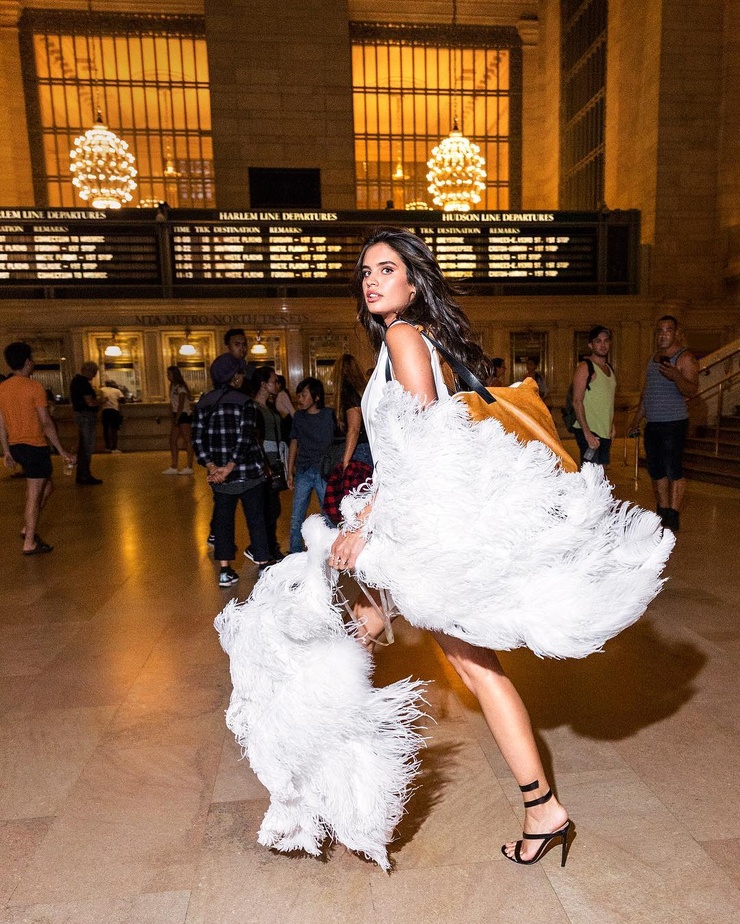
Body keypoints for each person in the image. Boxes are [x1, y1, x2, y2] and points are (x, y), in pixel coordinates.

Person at [215, 228, 674, 870]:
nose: (372, 280)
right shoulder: (411, 339)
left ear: (412, 280)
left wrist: (366, 524)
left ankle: (536, 808)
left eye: (386, 269)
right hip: (416, 529)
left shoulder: (405, 337)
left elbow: (425, 448)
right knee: (379, 636)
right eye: (366, 272)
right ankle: (328, 782)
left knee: (465, 667)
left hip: (418, 534)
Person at [193, 354, 272, 586]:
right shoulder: (245, 402)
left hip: (220, 479)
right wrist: (230, 467)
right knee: (256, 518)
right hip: (248, 473)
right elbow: (246, 438)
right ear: (234, 377)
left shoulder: (203, 403)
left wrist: (213, 467)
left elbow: (197, 440)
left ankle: (225, 571)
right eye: (239, 373)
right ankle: (263, 565)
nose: (241, 377)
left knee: (223, 522)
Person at [0, 341, 75, 554]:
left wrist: (6, 450)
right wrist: (63, 452)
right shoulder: (34, 387)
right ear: (26, 362)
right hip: (34, 446)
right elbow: (46, 423)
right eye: (31, 359)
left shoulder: (2, 388)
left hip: (17, 446)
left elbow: (1, 422)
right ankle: (29, 542)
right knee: (34, 493)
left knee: (47, 486)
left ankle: (28, 527)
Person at [629, 315, 699, 532]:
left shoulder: (685, 358)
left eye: (668, 330)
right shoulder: (653, 358)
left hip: (674, 422)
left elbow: (692, 390)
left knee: (673, 469)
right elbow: (647, 393)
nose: (663, 334)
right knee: (656, 470)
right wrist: (635, 420)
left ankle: (674, 514)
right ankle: (663, 510)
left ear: (676, 332)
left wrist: (677, 376)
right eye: (659, 330)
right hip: (653, 423)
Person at [286, 376, 335, 553]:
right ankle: (295, 551)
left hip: (323, 470)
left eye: (304, 395)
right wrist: (289, 470)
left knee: (328, 513)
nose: (300, 399)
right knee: (297, 514)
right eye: (299, 395)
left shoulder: (329, 415)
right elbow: (294, 442)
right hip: (304, 469)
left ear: (316, 397)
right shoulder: (298, 417)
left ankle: (331, 549)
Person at [250, 366, 287, 561]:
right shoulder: (254, 407)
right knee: (268, 507)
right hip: (264, 461)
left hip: (275, 459)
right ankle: (265, 547)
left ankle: (269, 546)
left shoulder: (269, 407)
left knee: (273, 507)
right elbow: (256, 438)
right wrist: (264, 463)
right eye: (274, 381)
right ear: (263, 384)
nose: (277, 385)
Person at [571, 325, 616, 467]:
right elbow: (577, 401)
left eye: (606, 341)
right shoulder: (585, 367)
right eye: (598, 341)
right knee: (590, 476)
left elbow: (607, 400)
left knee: (600, 473)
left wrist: (611, 423)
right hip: (589, 430)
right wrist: (587, 433)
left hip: (604, 430)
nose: (603, 345)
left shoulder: (609, 368)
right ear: (590, 345)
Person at [332, 354, 372, 470]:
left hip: (358, 449)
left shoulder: (348, 393)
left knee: (354, 486)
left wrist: (345, 461)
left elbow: (354, 429)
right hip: (368, 446)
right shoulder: (363, 391)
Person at [70, 361, 102, 485]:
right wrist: (101, 401)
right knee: (86, 447)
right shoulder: (83, 383)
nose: (94, 376)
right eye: (94, 373)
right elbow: (90, 402)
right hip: (86, 416)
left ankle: (82, 474)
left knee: (83, 446)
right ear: (89, 371)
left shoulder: (76, 381)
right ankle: (85, 474)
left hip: (80, 416)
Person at [163, 366, 194, 475]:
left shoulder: (180, 387)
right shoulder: (173, 386)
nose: (167, 376)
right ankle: (174, 465)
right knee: (172, 440)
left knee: (187, 440)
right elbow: (173, 404)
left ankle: (189, 466)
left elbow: (181, 403)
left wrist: (177, 417)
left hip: (184, 414)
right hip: (177, 414)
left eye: (169, 374)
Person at [99, 380, 126, 452]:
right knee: (114, 430)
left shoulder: (101, 390)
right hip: (114, 411)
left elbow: (98, 398)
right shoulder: (117, 391)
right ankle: (114, 448)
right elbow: (123, 400)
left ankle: (107, 447)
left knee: (106, 430)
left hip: (105, 411)